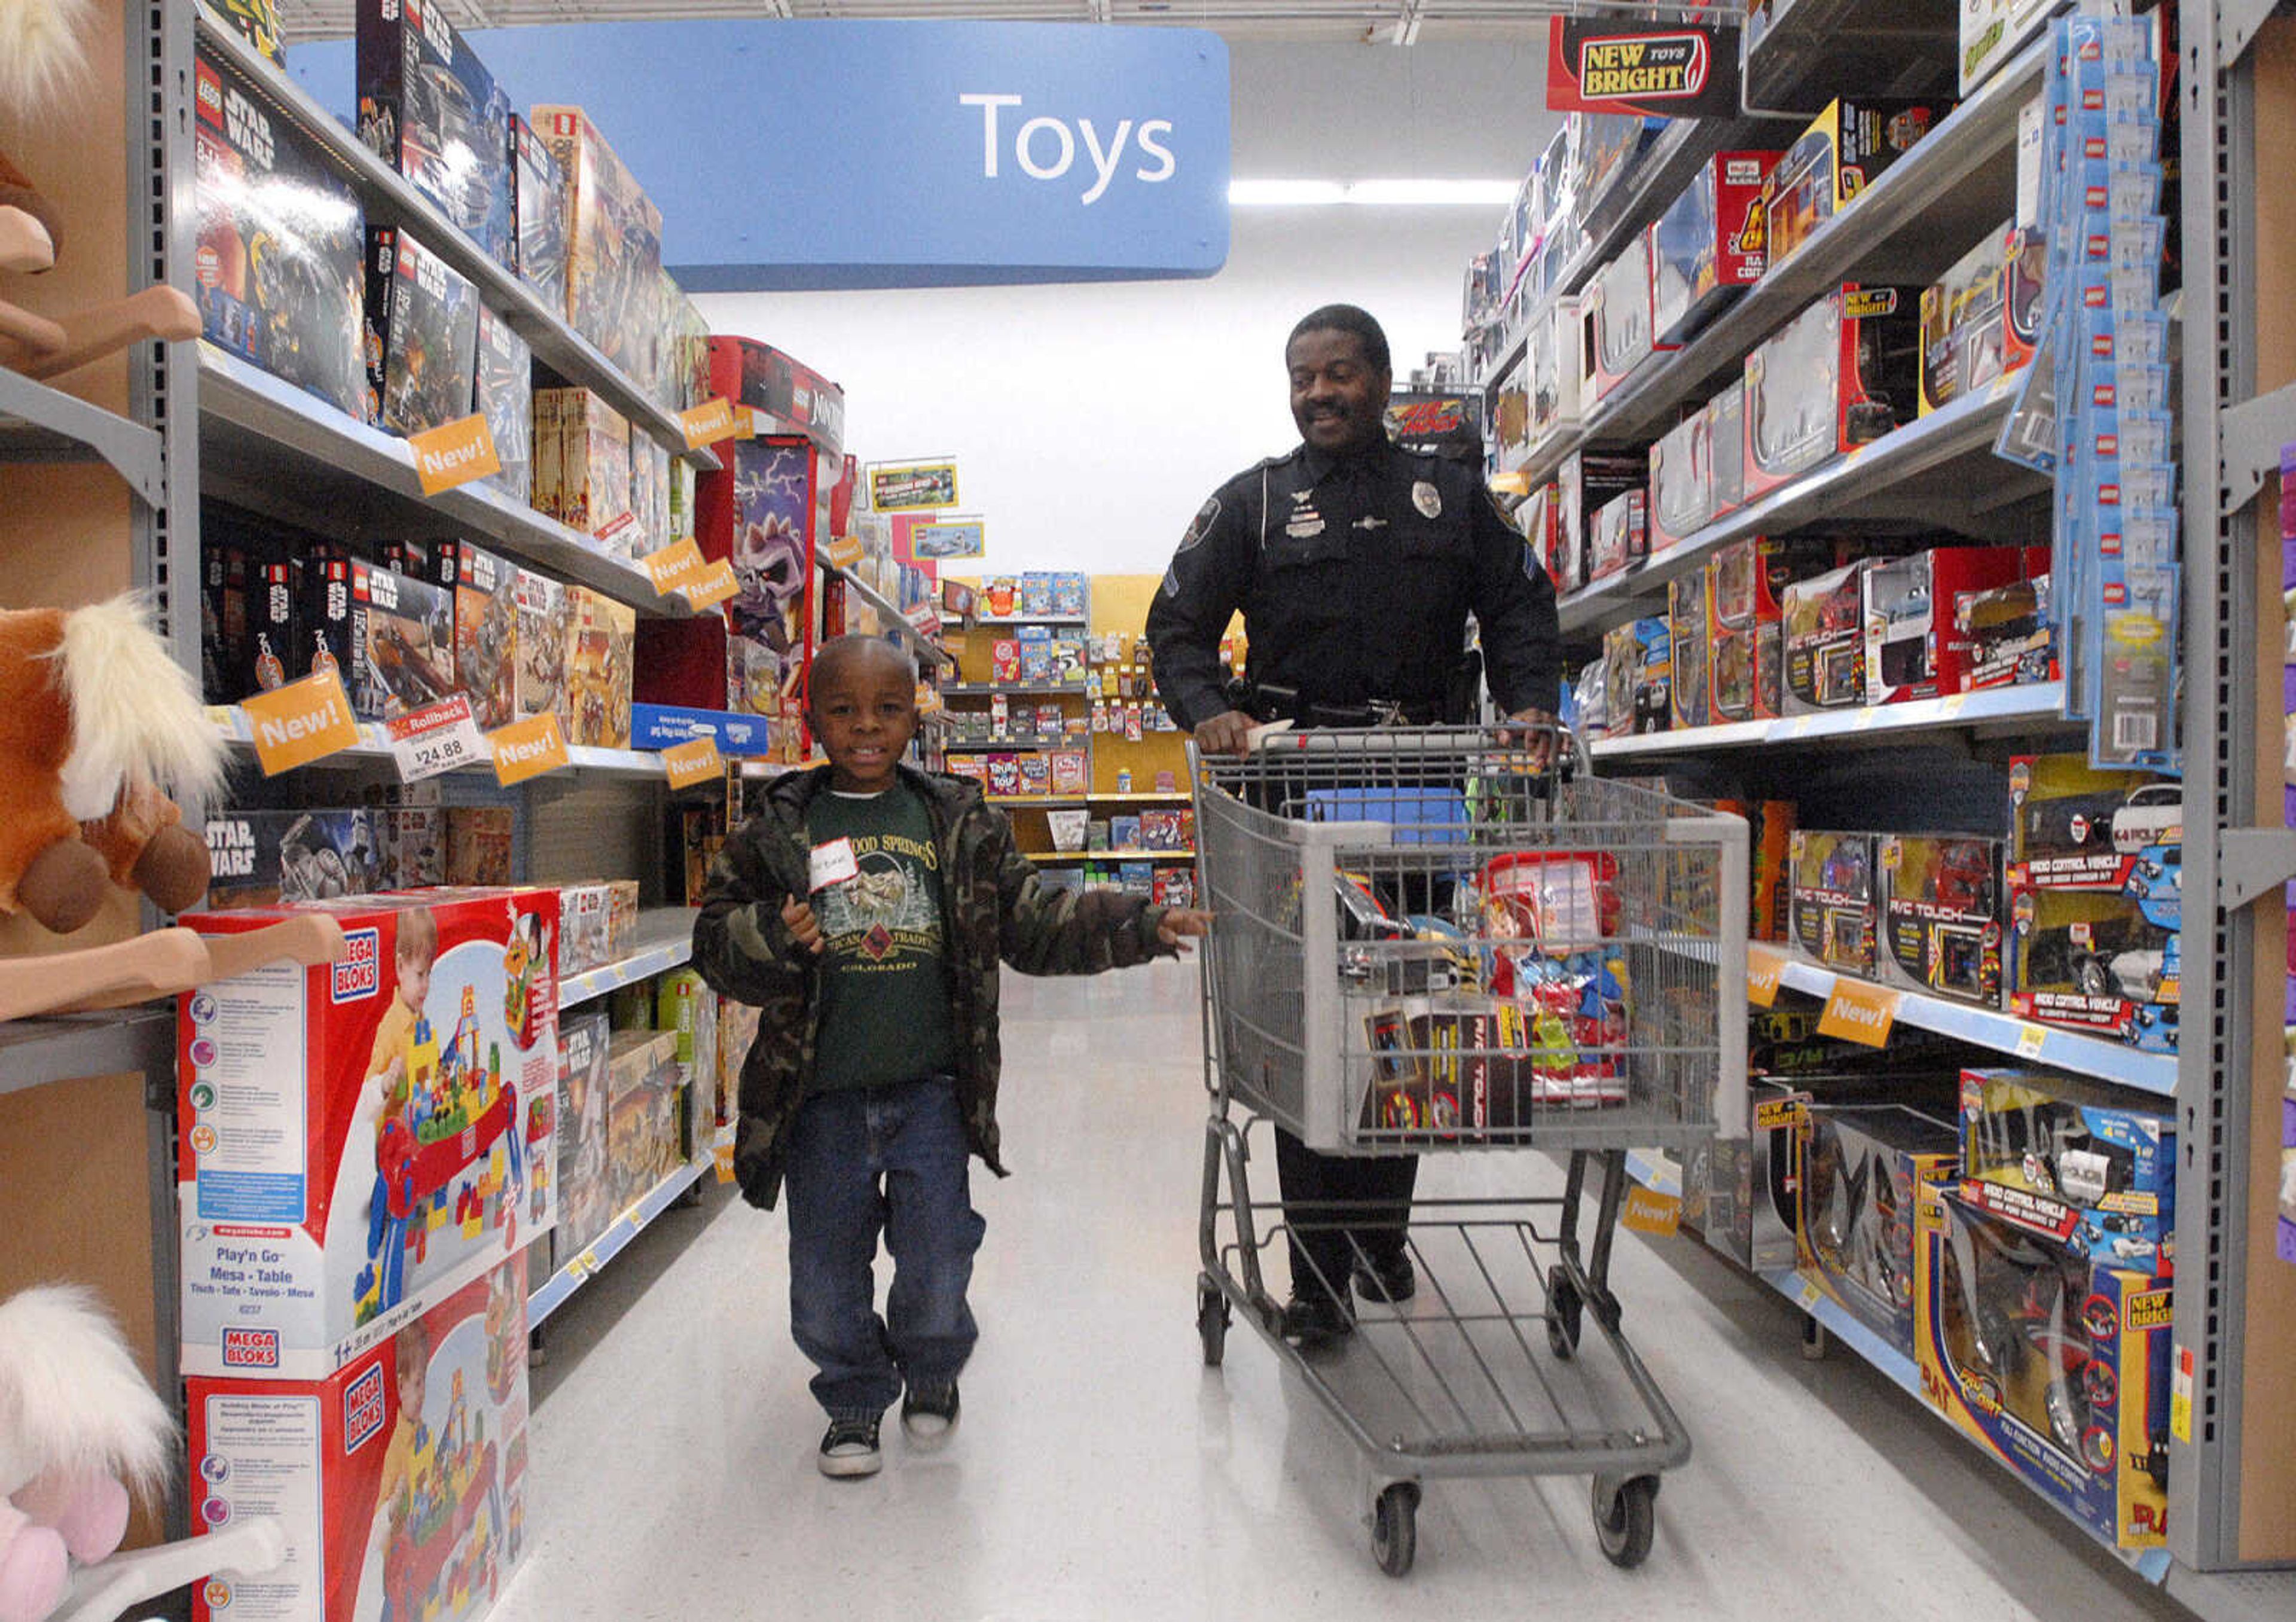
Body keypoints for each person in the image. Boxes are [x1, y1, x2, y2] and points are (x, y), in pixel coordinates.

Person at [1144, 303, 1562, 1350]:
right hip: (1293, 798)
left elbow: (1521, 605)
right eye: (1302, 378)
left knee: (1406, 1015)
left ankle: (1383, 1234)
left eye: (1338, 374)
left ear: (1380, 381)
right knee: (1305, 1031)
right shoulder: (1255, 503)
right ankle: (1319, 1280)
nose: (1318, 393)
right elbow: (1177, 629)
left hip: (1424, 788)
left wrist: (1528, 708)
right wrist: (1212, 713)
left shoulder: (1453, 494)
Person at [694, 635, 1213, 1478]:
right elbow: (713, 942)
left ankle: (931, 1369)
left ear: (916, 714)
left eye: (888, 709)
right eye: (844, 710)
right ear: (811, 715)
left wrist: (1141, 924)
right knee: (824, 1276)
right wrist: (767, 937)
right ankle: (855, 1394)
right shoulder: (776, 830)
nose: (867, 727)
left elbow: (1035, 923)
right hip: (817, 1100)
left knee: (939, 1258)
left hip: (933, 1092)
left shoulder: (957, 820)